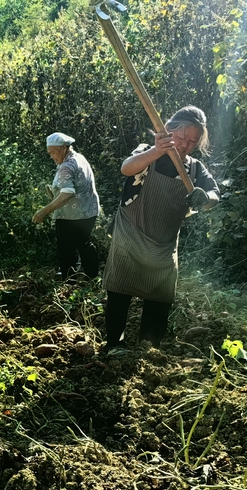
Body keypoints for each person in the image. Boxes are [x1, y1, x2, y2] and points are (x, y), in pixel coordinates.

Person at [102, 106, 219, 355]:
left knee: (160, 294)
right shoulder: (148, 151)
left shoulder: (195, 169)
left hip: (164, 243)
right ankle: (115, 344)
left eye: (193, 141)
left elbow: (215, 195)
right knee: (120, 289)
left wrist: (204, 197)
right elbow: (127, 168)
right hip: (130, 233)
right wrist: (156, 151)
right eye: (181, 137)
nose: (186, 144)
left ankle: (149, 349)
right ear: (168, 130)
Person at [32, 132, 101, 279]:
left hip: (71, 215)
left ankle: (68, 280)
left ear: (63, 148)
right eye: (49, 153)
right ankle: (92, 277)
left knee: (66, 249)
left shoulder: (66, 166)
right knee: (84, 243)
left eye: (53, 153)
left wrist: (45, 211)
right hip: (89, 211)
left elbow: (67, 193)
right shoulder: (78, 158)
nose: (52, 156)